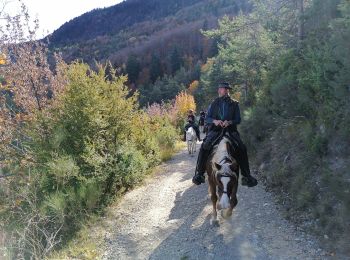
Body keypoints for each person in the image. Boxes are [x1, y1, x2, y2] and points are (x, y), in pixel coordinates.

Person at [192, 82, 258, 187]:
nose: (219, 90)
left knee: (242, 148)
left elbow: (238, 119)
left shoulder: (235, 104)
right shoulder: (214, 103)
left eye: (221, 89)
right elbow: (208, 118)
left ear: (227, 90)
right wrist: (215, 121)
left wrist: (229, 122)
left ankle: (246, 176)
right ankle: (199, 174)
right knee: (204, 146)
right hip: (216, 130)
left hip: (230, 130)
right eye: (219, 89)